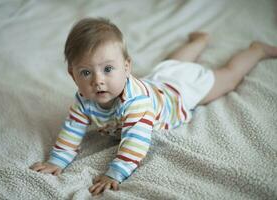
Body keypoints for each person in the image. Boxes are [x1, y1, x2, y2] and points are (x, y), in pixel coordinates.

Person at [30, 17, 277, 196]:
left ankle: (255, 50)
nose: (98, 81)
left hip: (178, 94)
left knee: (228, 77)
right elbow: (72, 129)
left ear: (127, 67)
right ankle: (200, 41)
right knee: (172, 64)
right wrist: (57, 160)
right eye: (86, 72)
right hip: (157, 82)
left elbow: (135, 143)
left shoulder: (135, 103)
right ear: (72, 76)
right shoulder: (84, 100)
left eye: (108, 69)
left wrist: (113, 173)